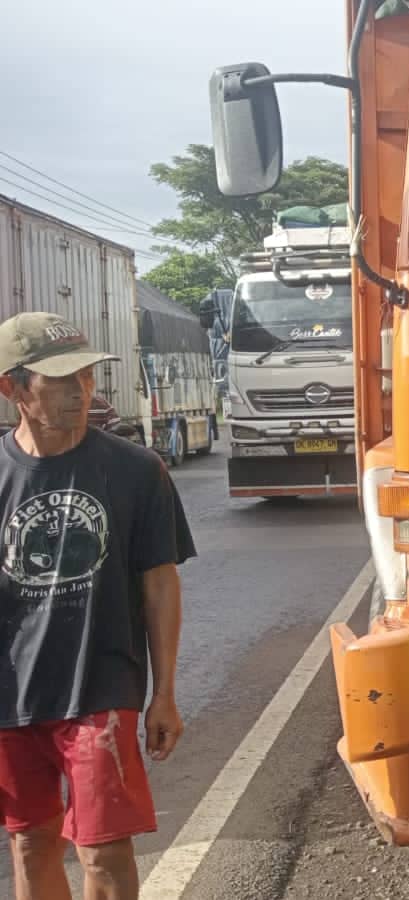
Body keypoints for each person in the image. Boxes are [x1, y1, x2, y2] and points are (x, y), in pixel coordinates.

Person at [0, 311, 195, 900]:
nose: (79, 393)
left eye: (85, 377)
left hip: (100, 691)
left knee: (104, 851)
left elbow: (159, 584)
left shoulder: (138, 471)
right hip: (11, 694)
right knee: (31, 842)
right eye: (58, 382)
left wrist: (163, 692)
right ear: (13, 388)